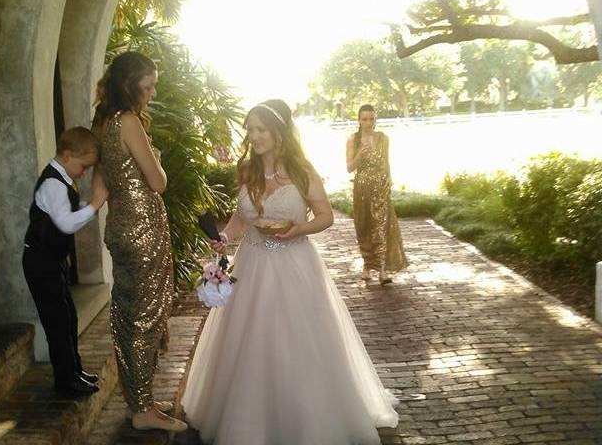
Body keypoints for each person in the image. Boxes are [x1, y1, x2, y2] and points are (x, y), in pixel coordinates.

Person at [181, 99, 398, 445]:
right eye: (250, 129)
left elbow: (325, 216)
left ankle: (308, 418)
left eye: (260, 129)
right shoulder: (247, 170)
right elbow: (241, 219)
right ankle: (250, 421)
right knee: (250, 340)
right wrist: (224, 237)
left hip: (295, 265)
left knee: (297, 340)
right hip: (251, 263)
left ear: (278, 131)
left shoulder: (301, 171)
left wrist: (299, 229)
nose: (253, 136)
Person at [91, 51, 187, 432]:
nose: (151, 93)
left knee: (130, 316)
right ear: (130, 85)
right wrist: (157, 158)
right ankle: (144, 410)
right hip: (143, 229)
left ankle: (140, 401)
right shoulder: (128, 122)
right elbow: (158, 181)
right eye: (147, 86)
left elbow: (102, 183)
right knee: (144, 320)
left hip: (120, 229)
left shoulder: (101, 122)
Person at [22, 126, 108, 394]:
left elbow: (69, 212)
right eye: (83, 166)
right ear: (68, 155)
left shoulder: (61, 180)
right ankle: (65, 379)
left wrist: (88, 207)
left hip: (54, 261)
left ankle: (74, 370)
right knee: (57, 321)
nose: (83, 172)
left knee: (68, 318)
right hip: (41, 262)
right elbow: (66, 223)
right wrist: (94, 205)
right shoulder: (52, 184)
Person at [346, 104, 408, 284]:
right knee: (364, 226)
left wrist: (389, 179)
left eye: (372, 119)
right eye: (364, 119)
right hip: (362, 189)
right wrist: (359, 156)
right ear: (359, 120)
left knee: (382, 226)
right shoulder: (353, 140)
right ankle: (367, 265)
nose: (368, 123)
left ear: (376, 119)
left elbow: (386, 162)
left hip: (380, 187)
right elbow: (349, 167)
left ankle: (382, 271)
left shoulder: (383, 138)